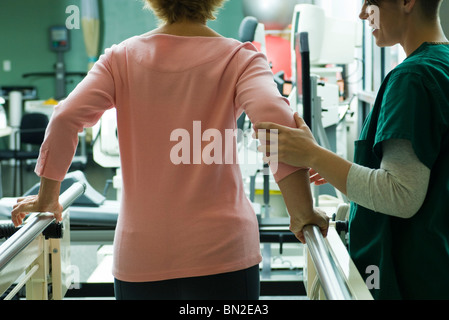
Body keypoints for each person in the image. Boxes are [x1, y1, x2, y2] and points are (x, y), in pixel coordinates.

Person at [11, 0, 328, 300]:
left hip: (141, 258)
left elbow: (65, 117)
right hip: (224, 254)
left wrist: (48, 196)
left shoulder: (120, 57)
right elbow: (275, 122)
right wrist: (302, 211)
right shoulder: (240, 58)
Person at [255, 0, 449, 299]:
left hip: (412, 279)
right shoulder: (441, 64)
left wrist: (311, 154)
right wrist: (334, 165)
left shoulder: (412, 78)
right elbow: (430, 175)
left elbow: (401, 195)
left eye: (370, 3)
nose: (362, 13)